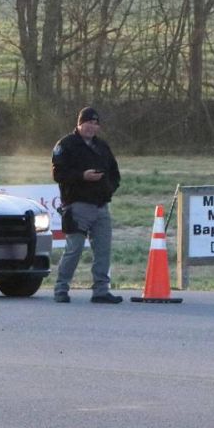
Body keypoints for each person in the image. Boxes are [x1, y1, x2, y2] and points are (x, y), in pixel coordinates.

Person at [51, 106, 123, 303]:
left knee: (103, 250)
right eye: (87, 123)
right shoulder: (66, 145)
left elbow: (115, 173)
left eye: (95, 123)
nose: (91, 127)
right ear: (79, 123)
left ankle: (101, 290)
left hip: (101, 206)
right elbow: (58, 174)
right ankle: (61, 289)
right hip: (77, 205)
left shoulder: (102, 147)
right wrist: (82, 176)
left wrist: (109, 188)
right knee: (74, 249)